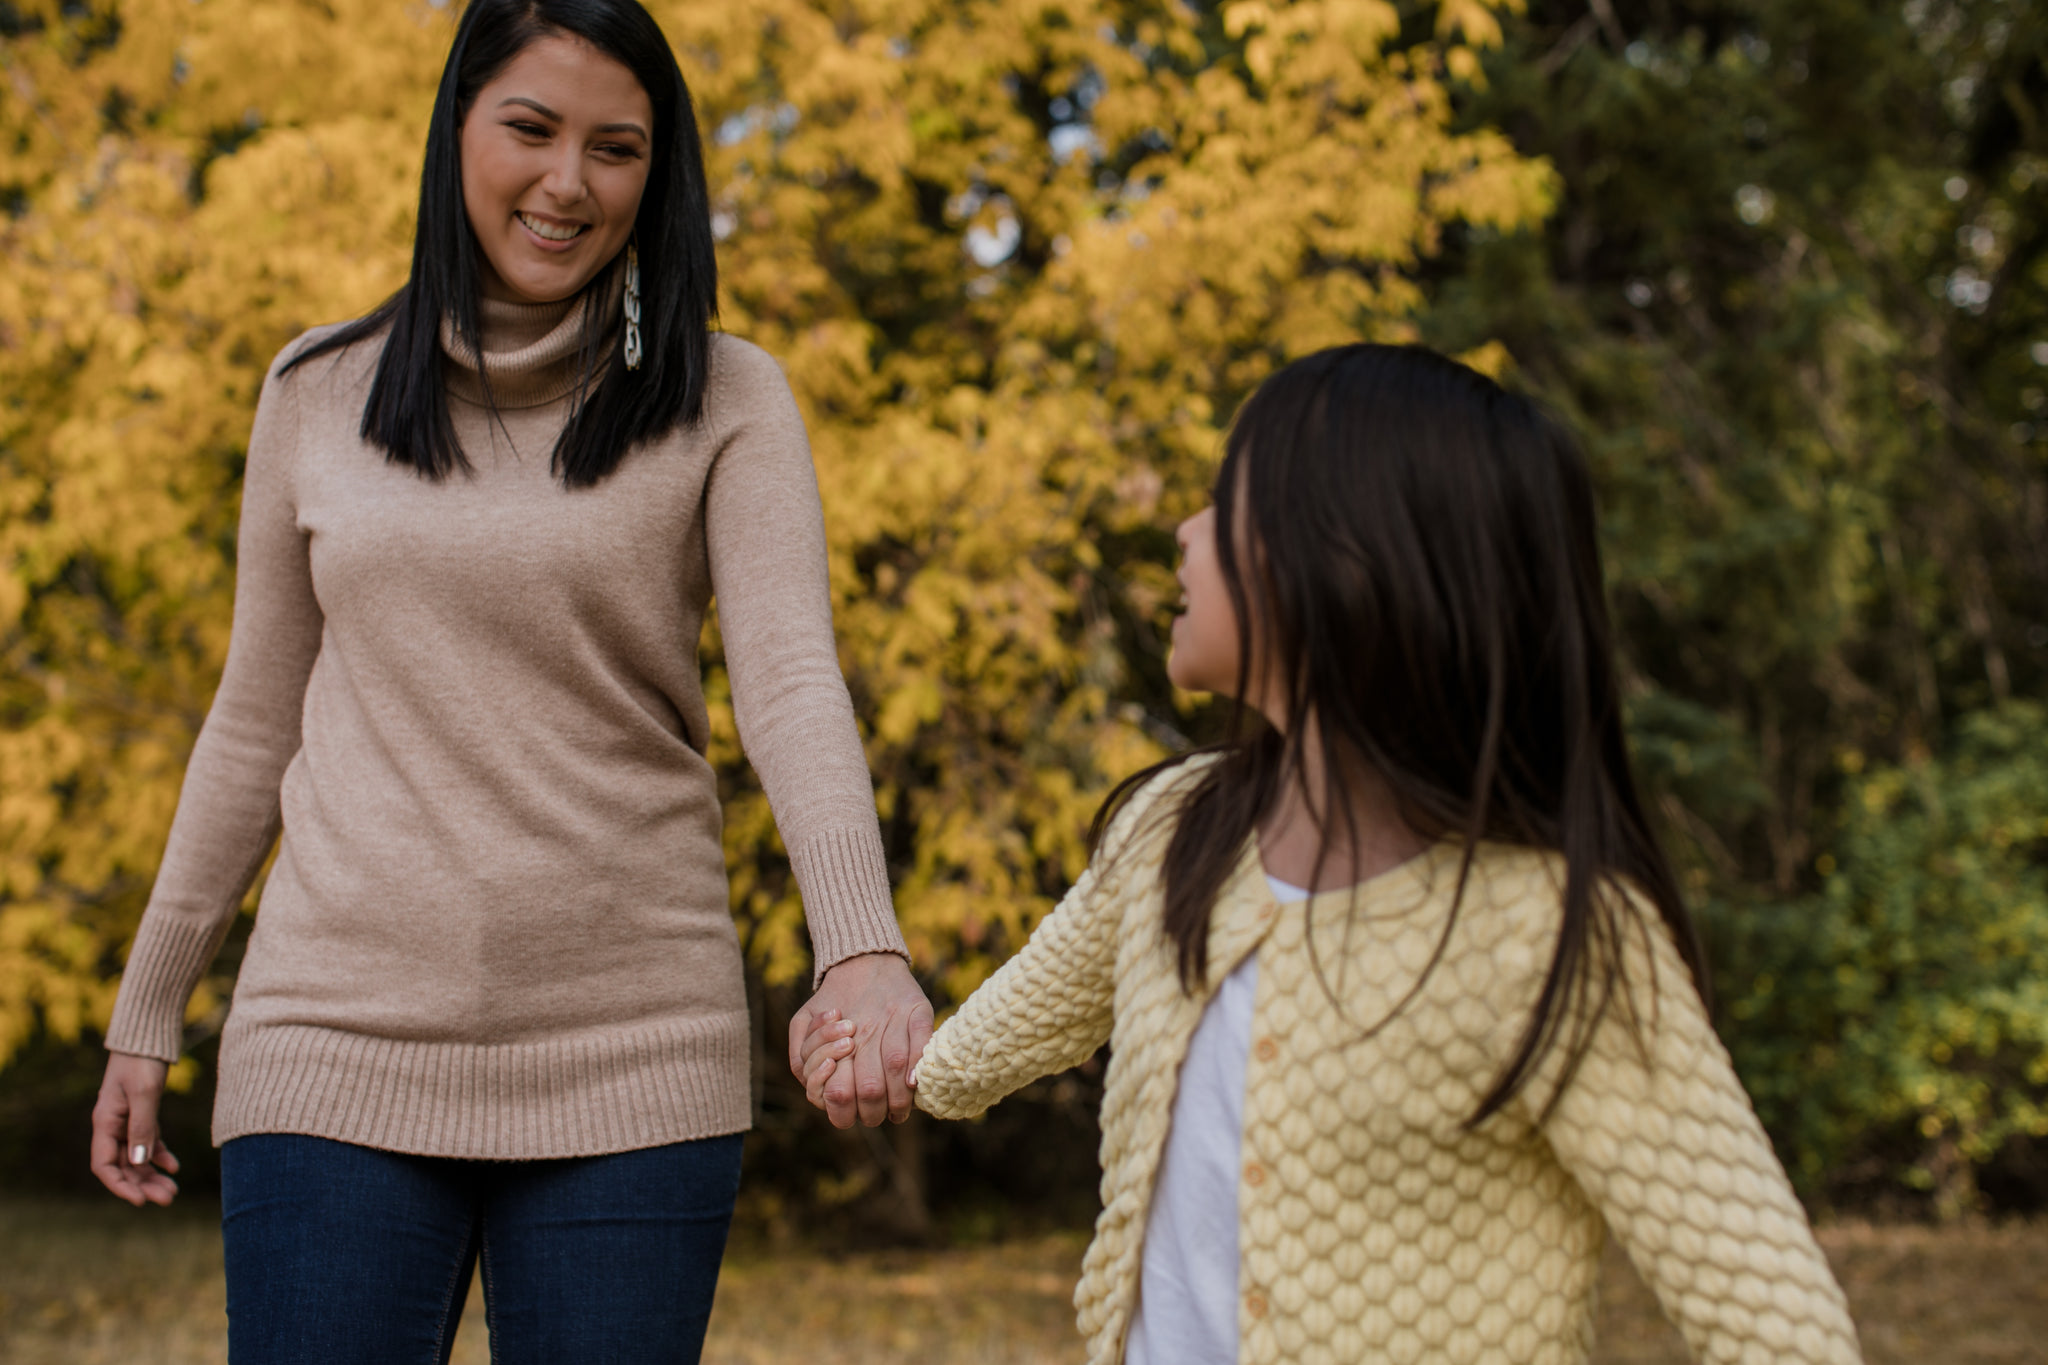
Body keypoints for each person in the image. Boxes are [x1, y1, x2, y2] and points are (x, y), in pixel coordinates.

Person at [89, 0, 930, 1359]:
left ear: (657, 174)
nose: (567, 183)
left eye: (615, 148)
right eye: (530, 129)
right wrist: (150, 1004)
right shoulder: (314, 392)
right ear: (456, 130)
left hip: (635, 1055)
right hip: (333, 1038)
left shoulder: (729, 398)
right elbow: (253, 720)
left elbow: (789, 684)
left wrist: (864, 945)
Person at [800, 344, 1866, 1364]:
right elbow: (991, 1041)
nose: (1182, 529)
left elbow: (1770, 1320)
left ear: (1349, 562)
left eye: (1227, 504)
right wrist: (886, 1064)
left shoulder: (1547, 936)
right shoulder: (1174, 833)